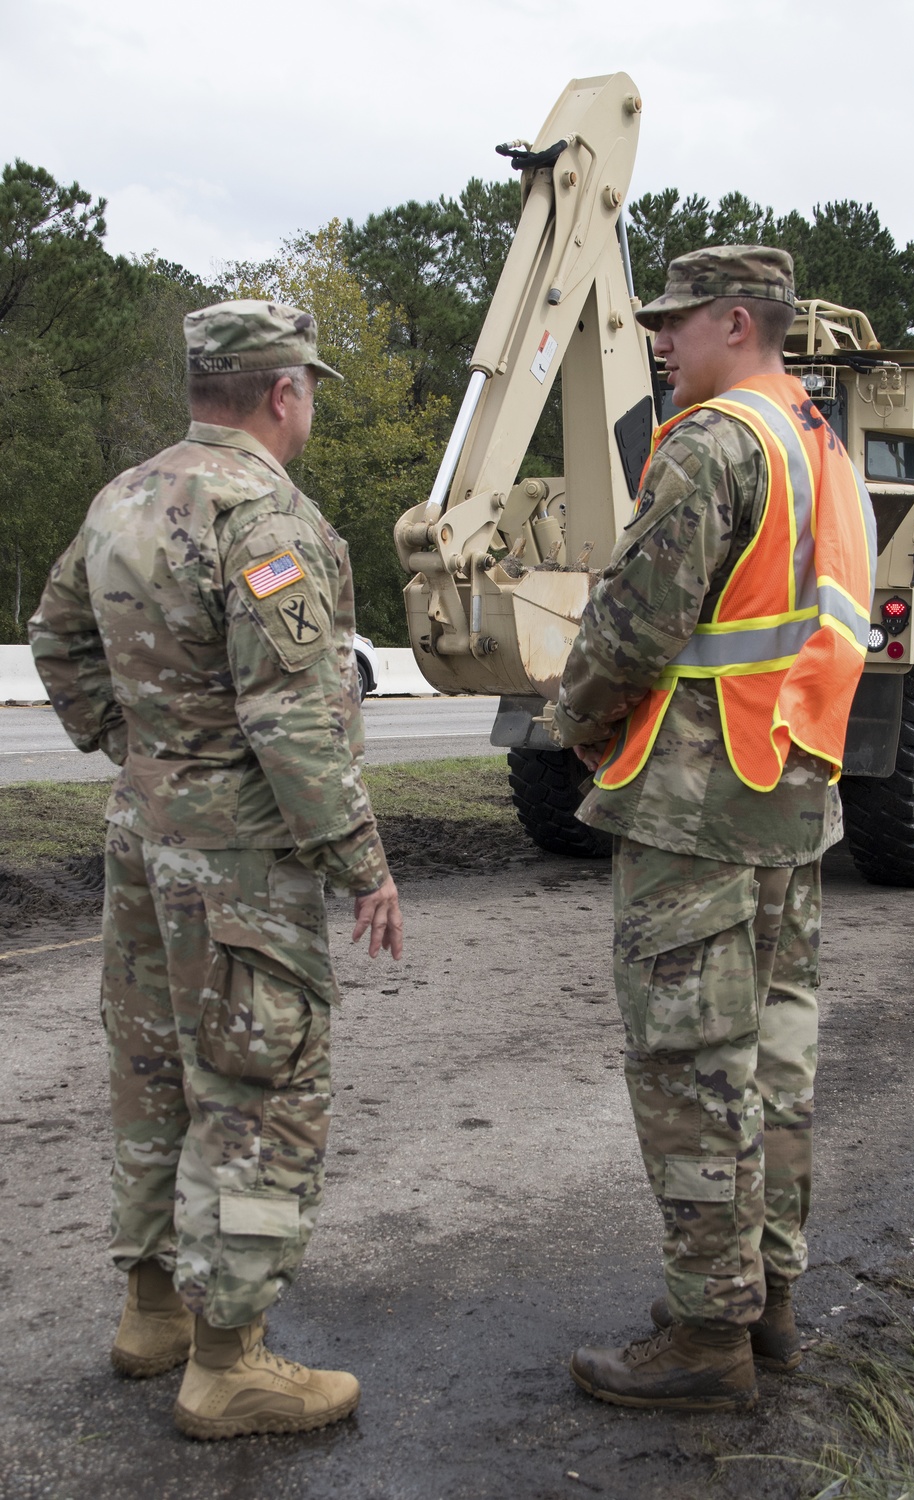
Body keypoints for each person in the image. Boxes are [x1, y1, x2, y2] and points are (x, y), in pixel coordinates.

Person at [29, 299, 403, 1440]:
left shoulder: (122, 498)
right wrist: (361, 865)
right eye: (308, 391)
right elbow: (293, 719)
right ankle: (227, 1360)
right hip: (237, 860)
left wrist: (139, 749)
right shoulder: (263, 514)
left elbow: (54, 635)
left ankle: (151, 1313)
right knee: (256, 1087)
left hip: (144, 838)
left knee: (151, 1074)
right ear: (282, 390)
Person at [552, 246, 876, 1411]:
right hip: (790, 787)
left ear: (736, 320)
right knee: (775, 1056)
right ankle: (765, 1299)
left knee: (691, 1066)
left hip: (697, 799)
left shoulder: (712, 442)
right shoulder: (815, 442)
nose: (658, 338)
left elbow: (633, 627)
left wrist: (577, 723)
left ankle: (704, 1338)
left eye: (677, 321)